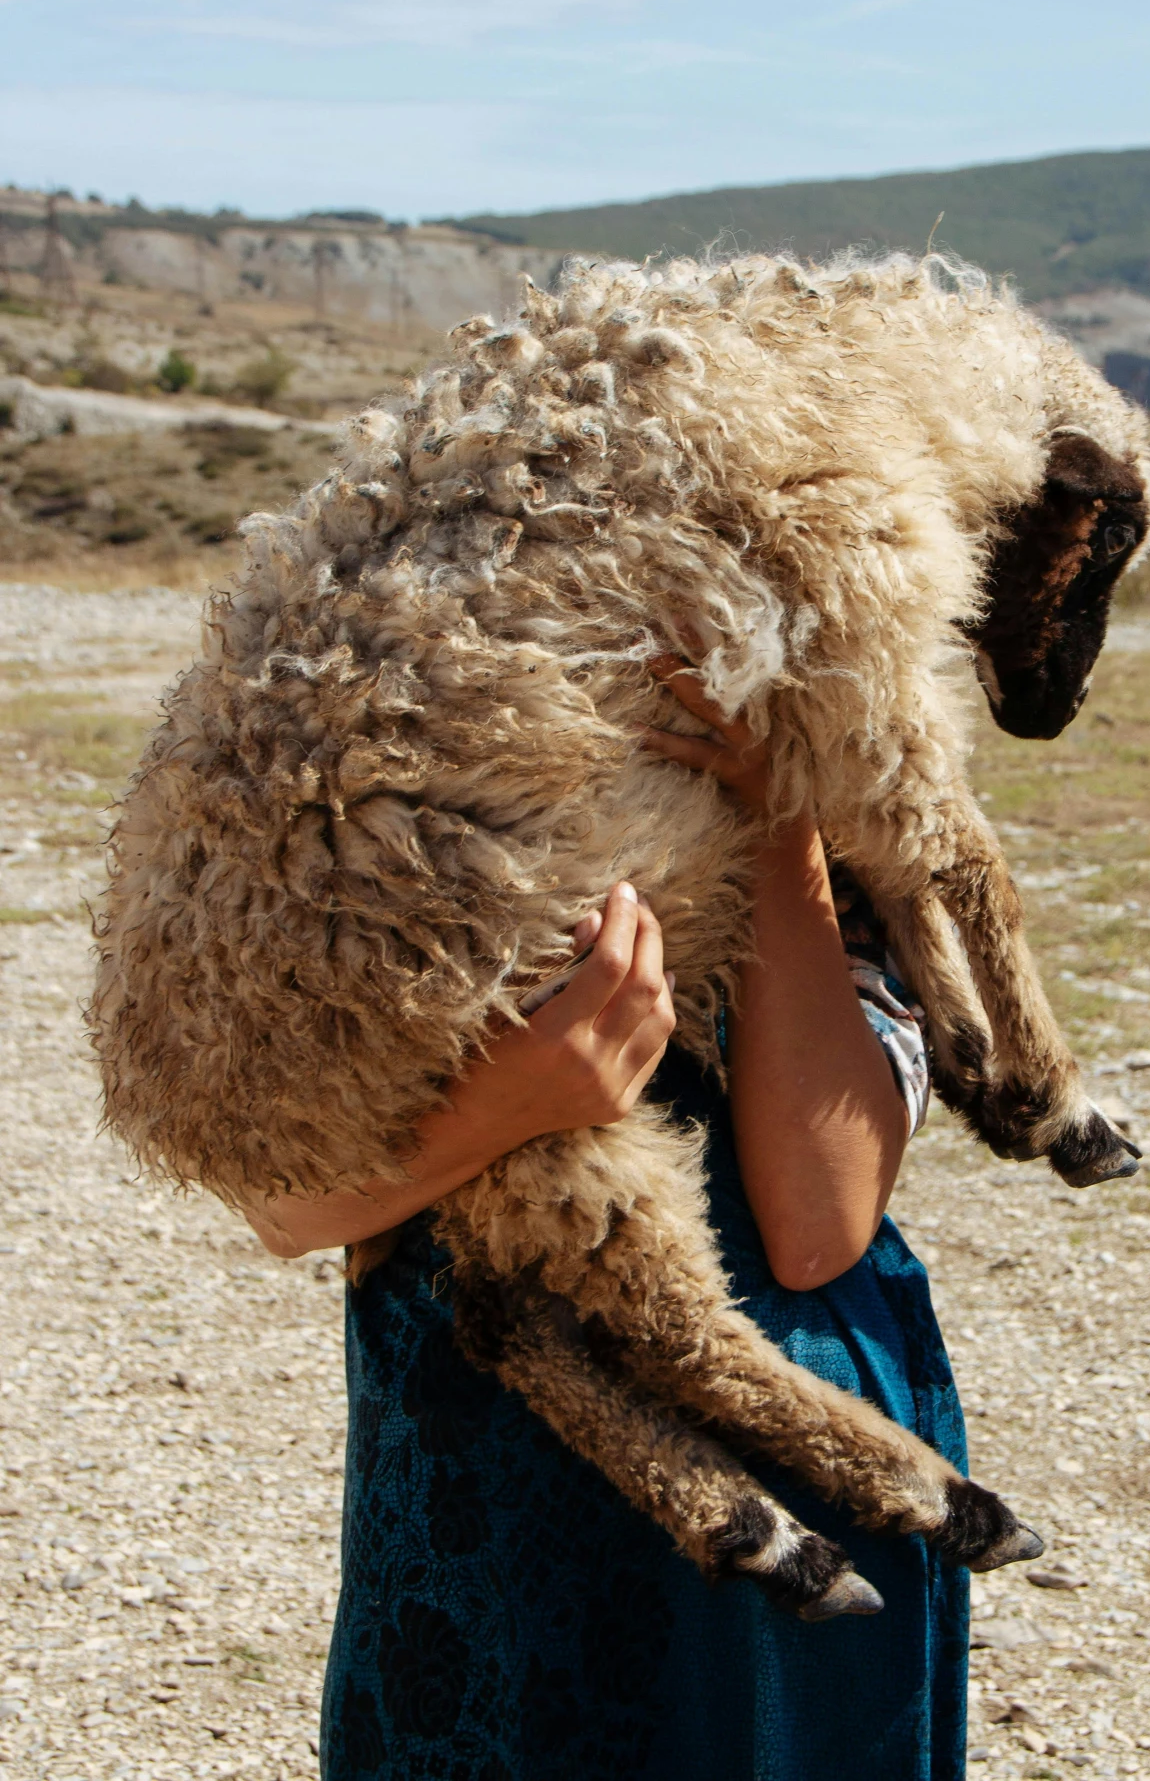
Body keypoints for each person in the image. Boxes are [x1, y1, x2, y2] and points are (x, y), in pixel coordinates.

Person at [247, 666, 970, 1780]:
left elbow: (818, 1225)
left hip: (798, 1479)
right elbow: (284, 1201)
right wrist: (520, 1100)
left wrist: (775, 817)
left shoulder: (849, 747)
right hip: (482, 1492)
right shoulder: (368, 758)